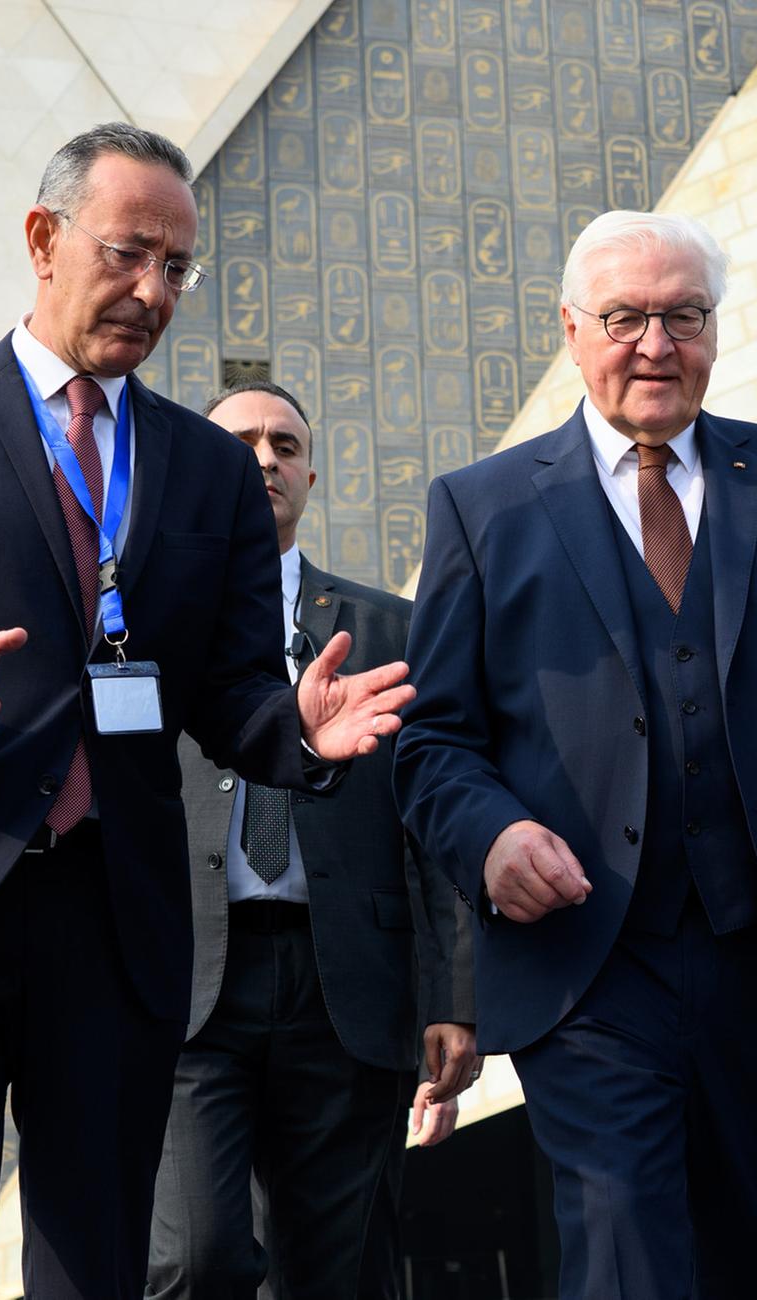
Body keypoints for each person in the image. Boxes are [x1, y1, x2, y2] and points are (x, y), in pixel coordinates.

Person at [0, 123, 412, 1299]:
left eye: (177, 268)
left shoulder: (203, 466)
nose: (151, 290)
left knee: (101, 1266)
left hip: (111, 925)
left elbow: (225, 696)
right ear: (42, 240)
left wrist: (301, 737)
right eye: (127, 254)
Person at [395, 209, 757, 1297]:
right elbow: (433, 741)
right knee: (622, 1247)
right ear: (570, 330)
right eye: (624, 317)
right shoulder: (482, 508)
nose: (655, 343)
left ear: (713, 328)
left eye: (683, 316)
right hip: (588, 964)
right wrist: (494, 833)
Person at [145, 380, 478, 1299]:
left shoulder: (390, 630)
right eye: (241, 443)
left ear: (311, 475)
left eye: (285, 445)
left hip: (348, 987)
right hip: (190, 983)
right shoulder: (137, 622)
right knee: (195, 1258)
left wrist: (452, 995)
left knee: (335, 1272)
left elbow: (436, 819)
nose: (264, 459)